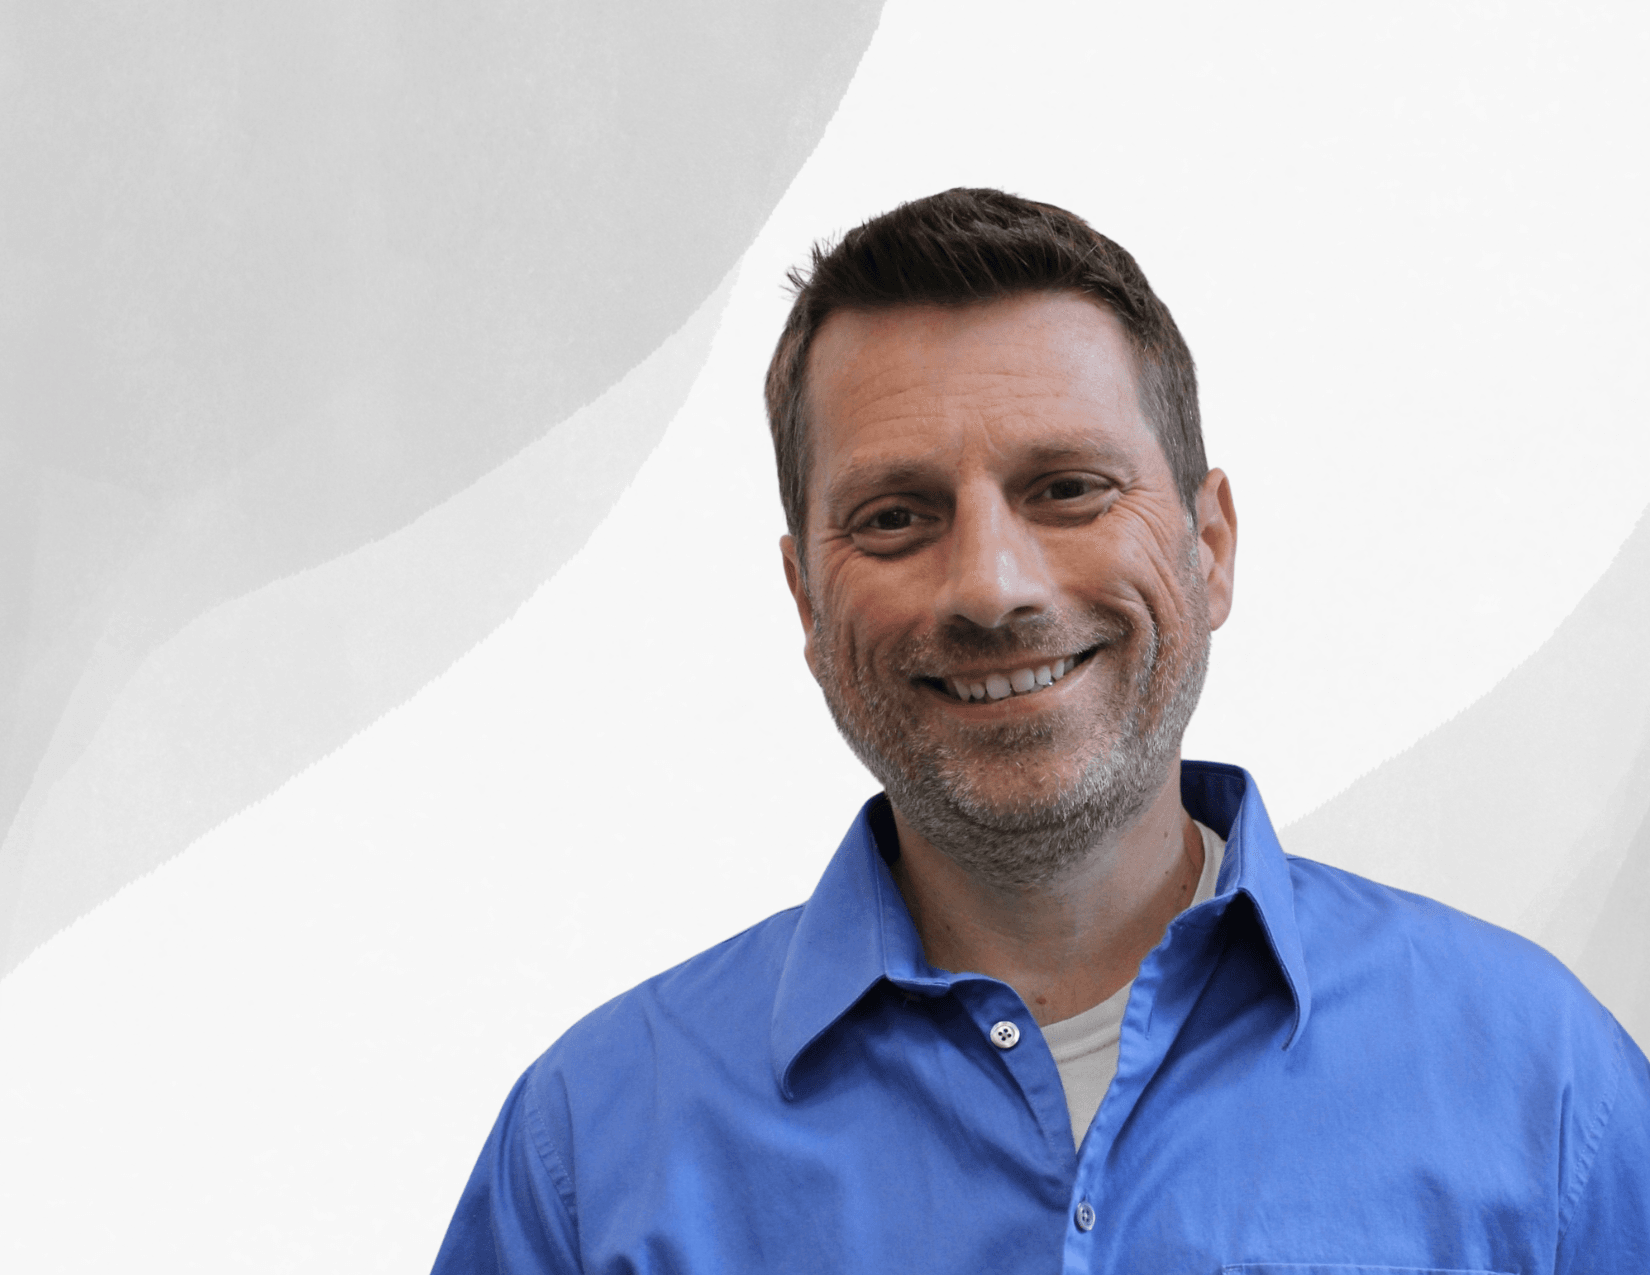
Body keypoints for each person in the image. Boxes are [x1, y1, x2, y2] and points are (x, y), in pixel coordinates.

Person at [432, 189, 1649, 1273]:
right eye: (898, 517)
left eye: (1067, 489)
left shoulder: (1547, 1090)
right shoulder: (589, 1156)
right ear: (806, 602)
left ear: (1210, 546)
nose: (992, 586)